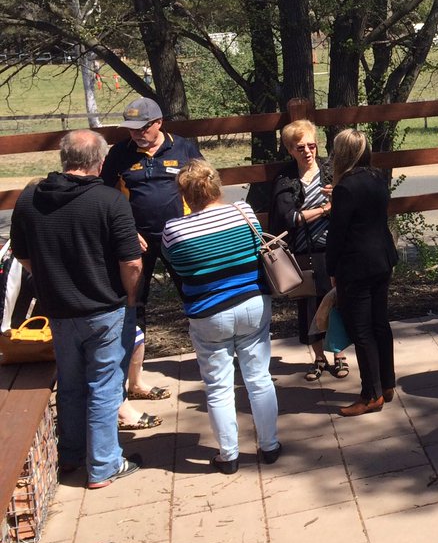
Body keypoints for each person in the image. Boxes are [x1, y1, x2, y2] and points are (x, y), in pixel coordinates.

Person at [10, 130, 143, 489]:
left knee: (69, 383)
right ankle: (103, 465)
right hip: (104, 308)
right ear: (100, 163)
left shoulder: (29, 198)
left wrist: (50, 279)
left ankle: (70, 455)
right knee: (104, 385)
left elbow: (21, 255)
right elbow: (132, 262)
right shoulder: (110, 201)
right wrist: (130, 298)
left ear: (63, 159)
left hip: (58, 309)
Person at [162, 160, 280, 474]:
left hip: (209, 313)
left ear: (185, 195)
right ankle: (269, 446)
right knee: (259, 379)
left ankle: (228, 456)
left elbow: (180, 271)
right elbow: (258, 251)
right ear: (217, 186)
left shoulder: (173, 231)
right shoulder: (244, 212)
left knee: (218, 387)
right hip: (252, 303)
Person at [101, 97, 204, 322]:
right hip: (136, 238)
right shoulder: (119, 153)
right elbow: (105, 196)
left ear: (159, 122)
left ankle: (208, 349)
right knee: (134, 299)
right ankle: (134, 353)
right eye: (131, 129)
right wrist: (126, 231)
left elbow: (205, 185)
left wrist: (197, 224)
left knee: (196, 294)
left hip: (180, 235)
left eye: (142, 128)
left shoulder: (183, 147)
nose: (137, 134)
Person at [268, 119, 349, 383]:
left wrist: (338, 197)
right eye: (300, 147)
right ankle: (318, 358)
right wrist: (326, 209)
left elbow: (349, 202)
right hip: (302, 252)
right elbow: (290, 218)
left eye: (311, 145)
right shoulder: (286, 178)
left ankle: (338, 355)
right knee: (308, 306)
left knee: (336, 301)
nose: (307, 151)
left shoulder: (331, 170)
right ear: (290, 149)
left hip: (334, 247)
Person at [326, 129, 400, 417]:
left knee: (362, 330)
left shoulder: (345, 187)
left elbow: (338, 235)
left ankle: (371, 394)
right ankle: (387, 382)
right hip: (382, 260)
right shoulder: (378, 177)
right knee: (380, 323)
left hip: (356, 267)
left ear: (342, 153)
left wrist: (332, 269)